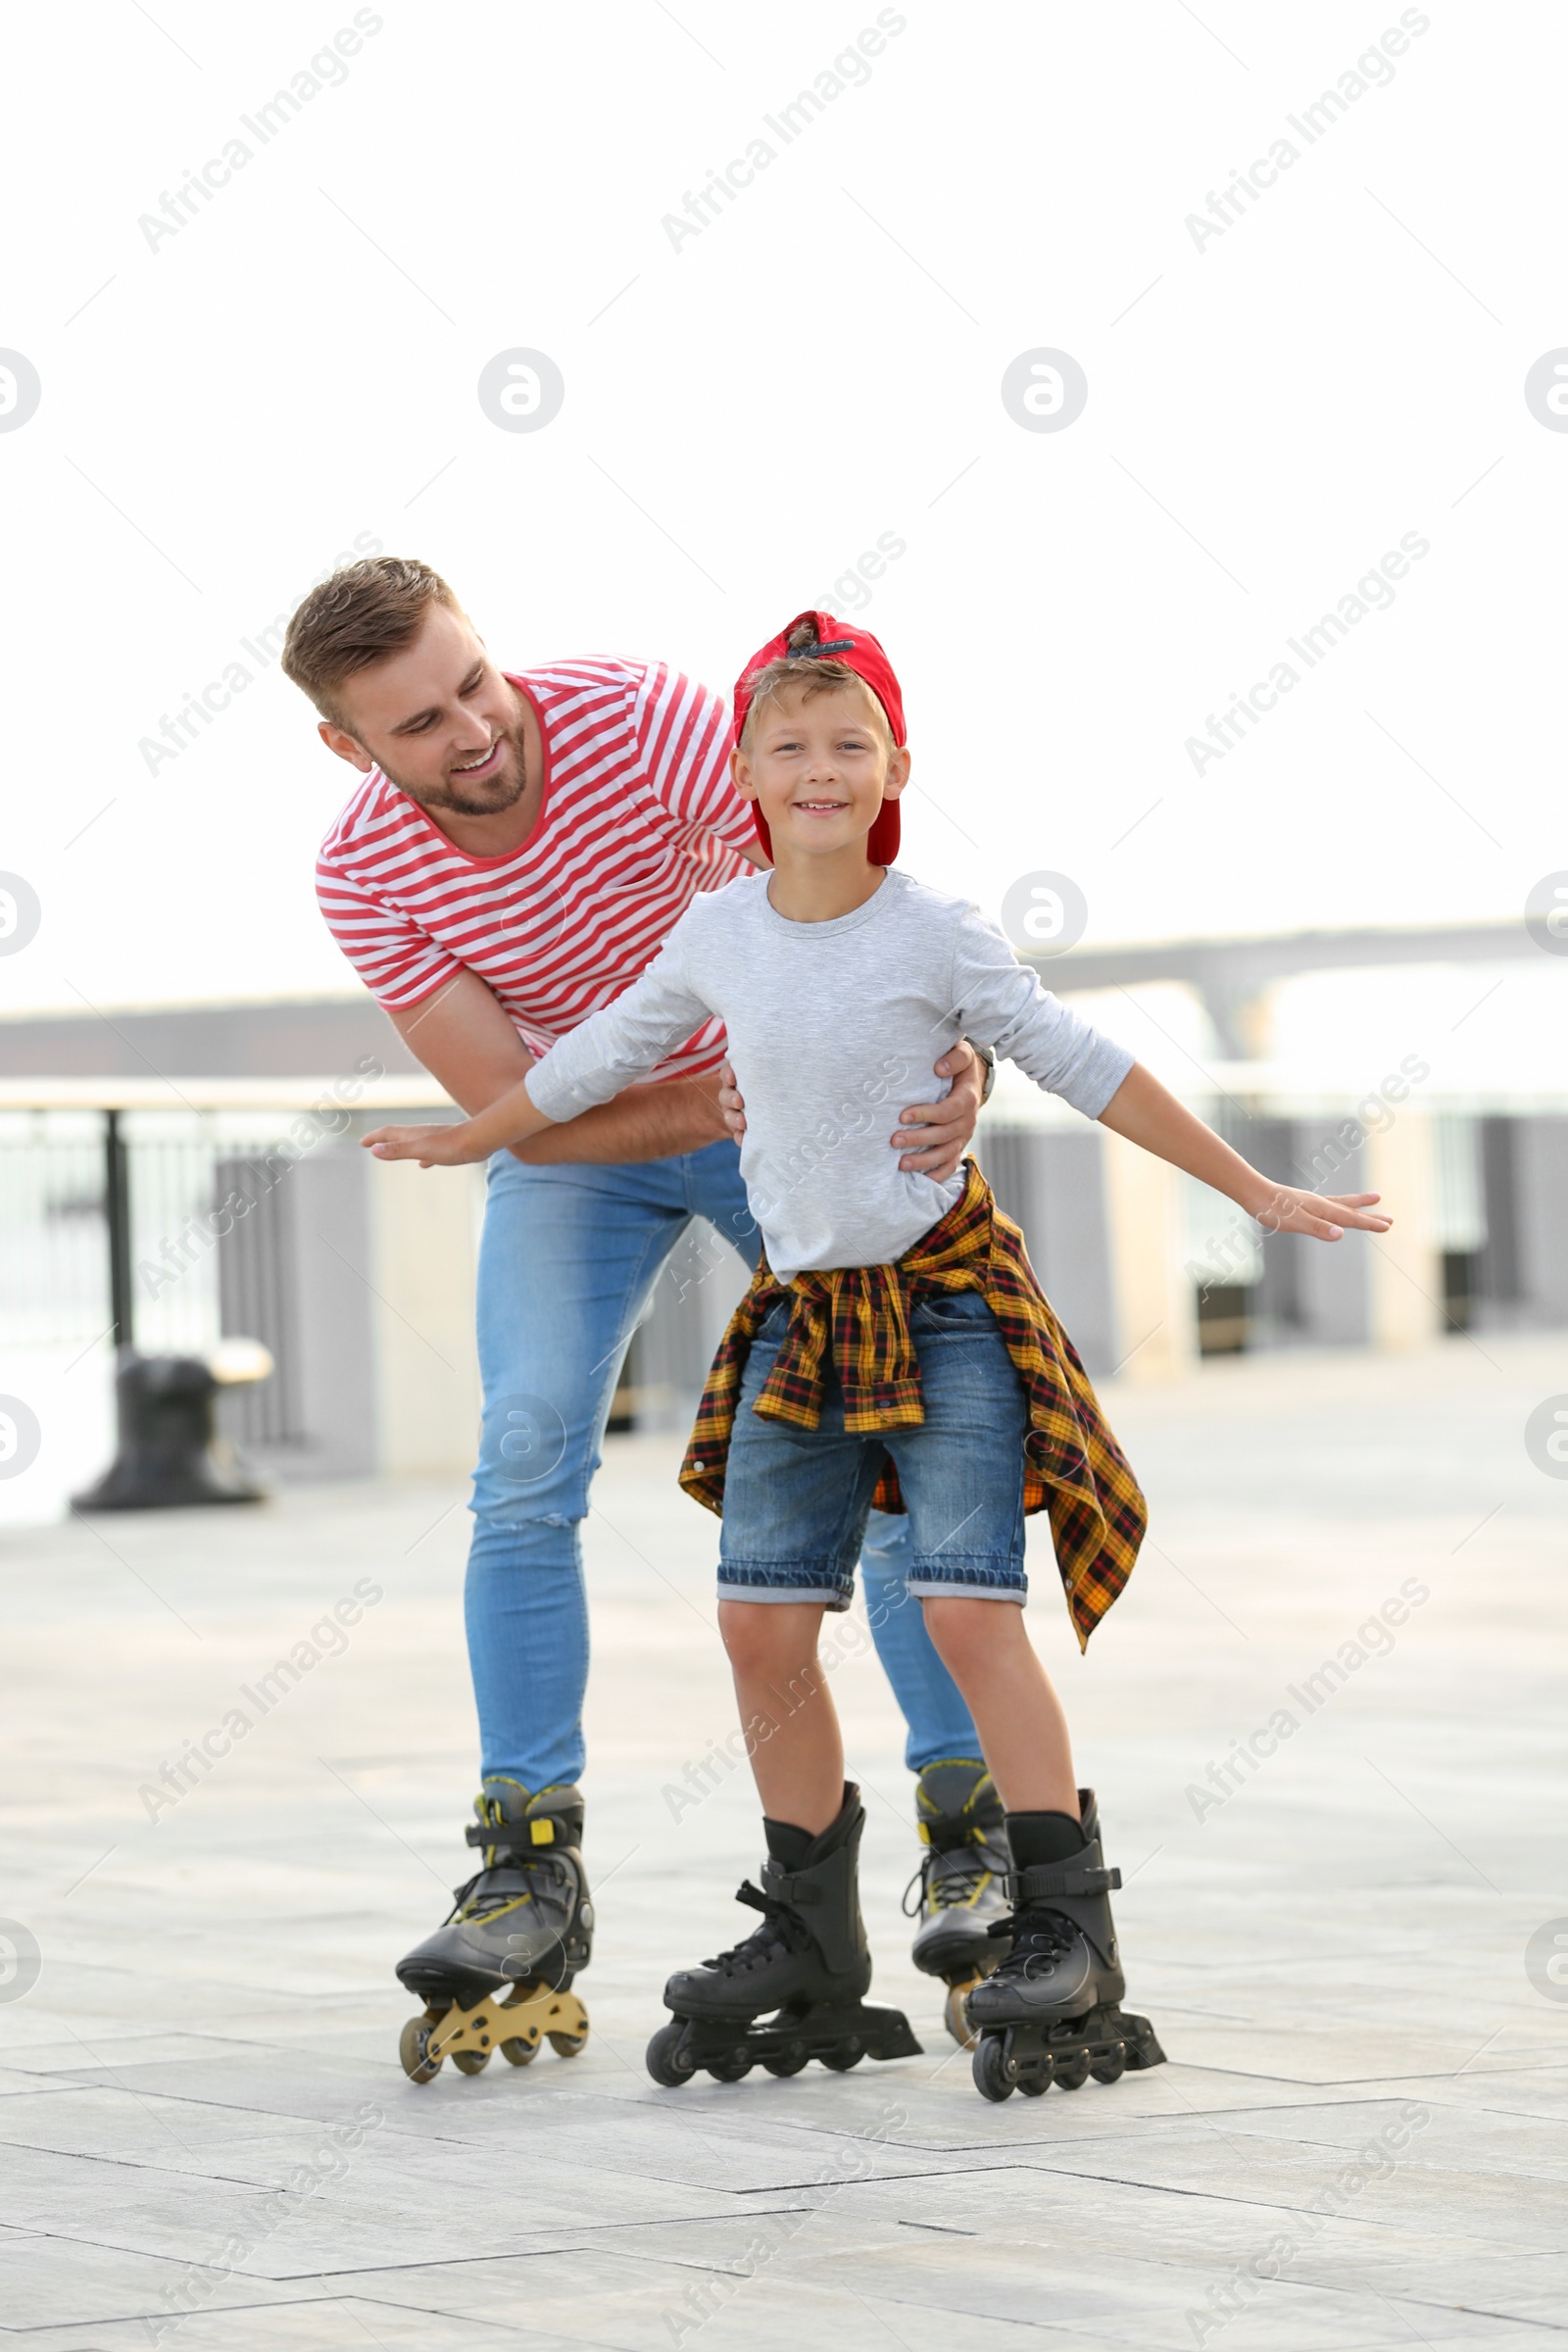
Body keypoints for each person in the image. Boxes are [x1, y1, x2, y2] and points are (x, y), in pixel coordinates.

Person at [364, 610, 1393, 2096]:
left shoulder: (940, 932)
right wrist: (478, 1136)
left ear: (897, 763)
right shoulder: (714, 932)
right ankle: (808, 1930)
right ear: (746, 775)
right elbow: (588, 1061)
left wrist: (1253, 1190)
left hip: (946, 1309)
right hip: (799, 1321)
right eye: (788, 745)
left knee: (972, 1615)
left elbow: (1083, 1060)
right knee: (761, 1627)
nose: (820, 767)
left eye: (850, 743)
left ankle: (1064, 1922)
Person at [283, 559, 998, 2061]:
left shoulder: (647, 723)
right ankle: (525, 1863)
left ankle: (967, 1822)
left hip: (782, 1118)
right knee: (526, 1454)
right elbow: (509, 1112)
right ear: (355, 751)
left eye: (475, 683)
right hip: (595, 1143)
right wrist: (689, 1099)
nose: (475, 731)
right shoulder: (365, 872)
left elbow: (843, 903)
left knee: (887, 1443)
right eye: (418, 725)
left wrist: (946, 1054)